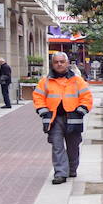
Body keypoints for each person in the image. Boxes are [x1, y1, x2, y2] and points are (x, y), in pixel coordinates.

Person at [32, 52, 94, 184]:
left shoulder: (77, 81)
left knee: (73, 146)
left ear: (67, 63)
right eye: (56, 62)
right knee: (57, 146)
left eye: (62, 61)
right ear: (52, 64)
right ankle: (60, 173)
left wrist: (80, 111)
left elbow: (87, 97)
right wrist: (43, 112)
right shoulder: (45, 82)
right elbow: (38, 97)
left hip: (73, 118)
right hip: (54, 119)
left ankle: (72, 168)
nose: (59, 64)